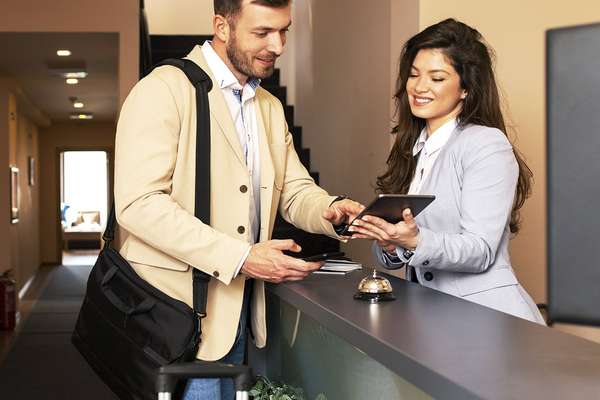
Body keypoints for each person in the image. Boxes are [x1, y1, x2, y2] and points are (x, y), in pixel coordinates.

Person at [114, 0, 362, 398]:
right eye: (262, 33)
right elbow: (138, 203)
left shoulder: (269, 106)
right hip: (174, 317)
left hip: (239, 311)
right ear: (221, 27)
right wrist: (243, 257)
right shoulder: (162, 90)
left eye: (284, 31)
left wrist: (332, 211)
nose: (278, 46)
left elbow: (295, 190)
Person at [348, 18, 545, 325]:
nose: (419, 87)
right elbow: (411, 243)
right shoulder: (416, 148)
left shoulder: (486, 144)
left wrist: (413, 240)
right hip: (434, 317)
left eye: (437, 78)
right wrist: (390, 242)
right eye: (413, 75)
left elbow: (480, 250)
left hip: (489, 319)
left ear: (466, 87)